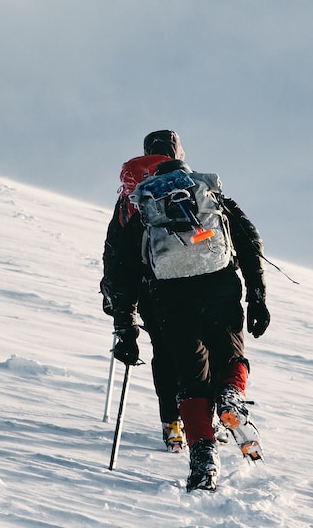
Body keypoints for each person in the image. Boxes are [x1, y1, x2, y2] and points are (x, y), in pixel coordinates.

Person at [101, 128, 269, 492]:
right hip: (220, 287)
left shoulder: (141, 202)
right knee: (230, 356)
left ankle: (202, 456)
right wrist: (257, 294)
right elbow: (247, 238)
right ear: (179, 154)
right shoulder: (205, 192)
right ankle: (230, 395)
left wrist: (125, 326)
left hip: (168, 297)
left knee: (191, 378)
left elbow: (121, 269)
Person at [100, 147, 184, 451]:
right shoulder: (184, 183)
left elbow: (115, 248)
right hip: (187, 282)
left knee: (163, 352)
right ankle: (204, 416)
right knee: (198, 350)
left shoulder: (130, 195)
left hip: (146, 287)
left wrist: (112, 290)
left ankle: (171, 423)